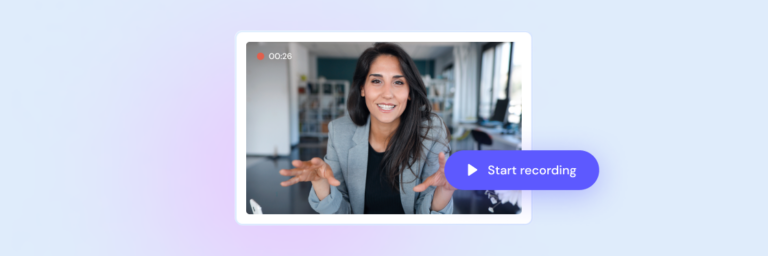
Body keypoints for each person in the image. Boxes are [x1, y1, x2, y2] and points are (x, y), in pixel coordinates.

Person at [279, 43, 454, 214]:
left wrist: (444, 191)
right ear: (362, 88)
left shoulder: (431, 131)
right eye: (377, 81)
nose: (387, 93)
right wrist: (320, 183)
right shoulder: (340, 132)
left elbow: (426, 217)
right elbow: (342, 214)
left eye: (398, 82)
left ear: (409, 91)